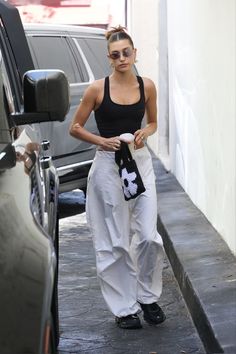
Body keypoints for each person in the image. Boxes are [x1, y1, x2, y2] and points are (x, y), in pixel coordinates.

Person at [69, 26, 166, 329]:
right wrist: (101, 141)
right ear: (109, 58)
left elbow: (153, 123)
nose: (122, 58)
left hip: (139, 162)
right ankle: (124, 308)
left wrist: (144, 132)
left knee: (149, 236)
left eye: (127, 52)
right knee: (115, 242)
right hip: (108, 166)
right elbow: (75, 127)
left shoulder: (146, 85)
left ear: (134, 53)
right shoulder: (97, 89)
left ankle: (148, 297)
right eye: (116, 54)